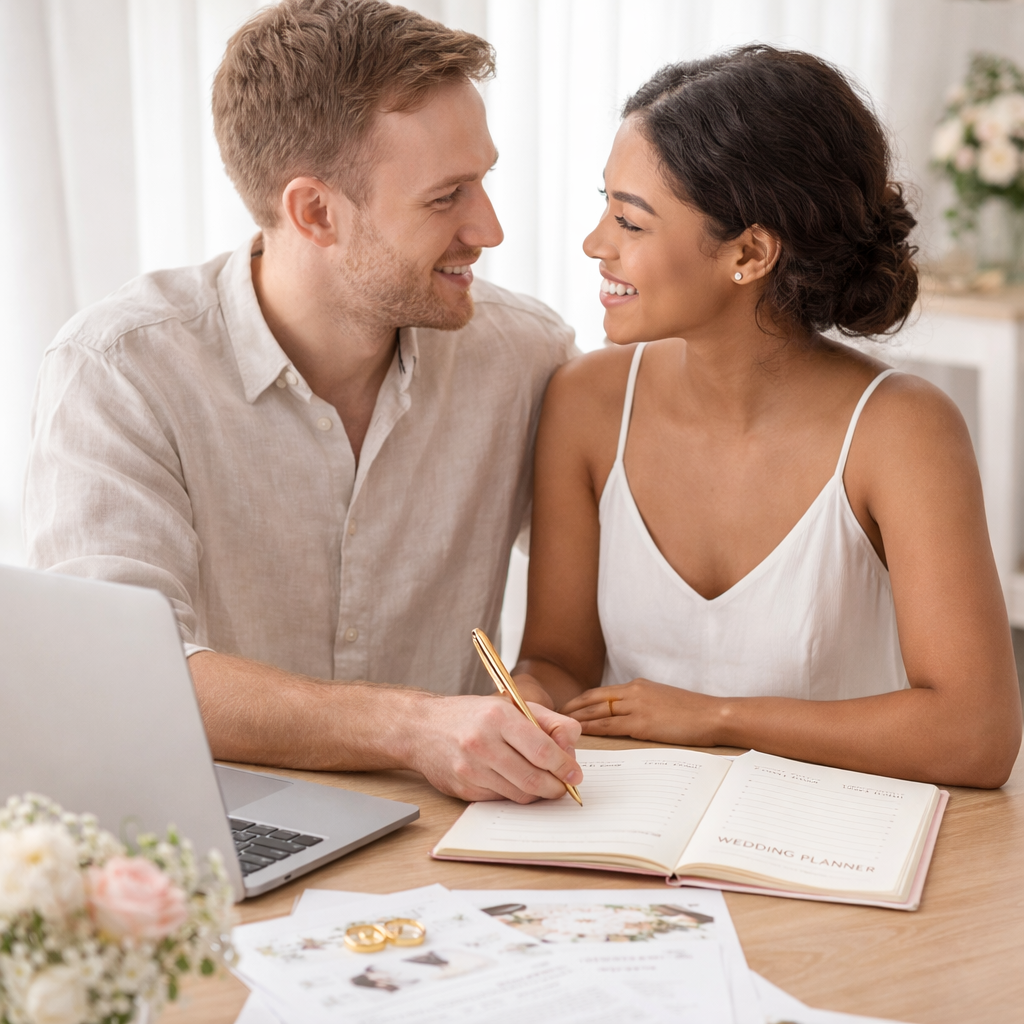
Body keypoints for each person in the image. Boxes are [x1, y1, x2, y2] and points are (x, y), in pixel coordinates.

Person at [23, 0, 582, 803]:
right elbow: (123, 674)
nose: (487, 229)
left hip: (455, 838)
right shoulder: (119, 368)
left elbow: (605, 614)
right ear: (314, 211)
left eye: (484, 181)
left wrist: (531, 698)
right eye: (446, 196)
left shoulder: (525, 355)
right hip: (210, 830)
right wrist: (412, 727)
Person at [512, 46, 1022, 788]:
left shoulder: (901, 431)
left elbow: (976, 735)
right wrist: (525, 707)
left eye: (630, 222)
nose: (596, 244)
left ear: (749, 252)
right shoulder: (587, 403)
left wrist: (719, 717)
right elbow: (558, 663)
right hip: (631, 837)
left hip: (838, 846)